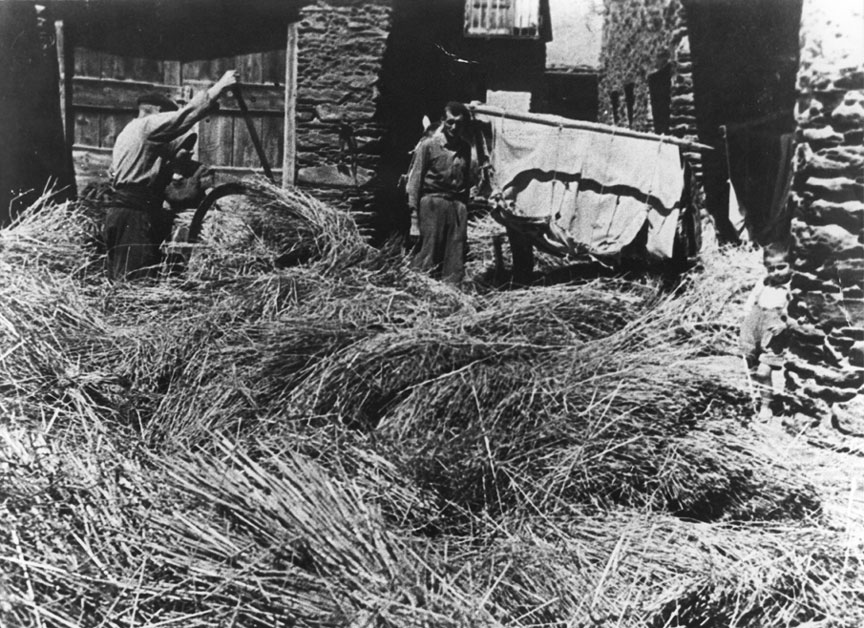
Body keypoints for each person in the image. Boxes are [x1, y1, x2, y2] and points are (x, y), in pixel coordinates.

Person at [103, 70, 238, 280]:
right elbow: (182, 117)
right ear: (157, 112)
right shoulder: (147, 127)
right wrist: (219, 87)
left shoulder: (127, 134)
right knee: (137, 284)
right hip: (134, 215)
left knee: (122, 279)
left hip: (120, 213)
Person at [406, 101, 473, 285]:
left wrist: (464, 211)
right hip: (432, 204)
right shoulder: (429, 146)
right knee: (428, 253)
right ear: (443, 121)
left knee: (455, 257)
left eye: (459, 123)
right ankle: (419, 291)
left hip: (457, 207)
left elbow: (467, 182)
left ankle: (450, 297)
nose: (454, 127)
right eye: (450, 122)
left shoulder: (466, 148)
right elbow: (415, 182)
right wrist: (414, 221)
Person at [740, 243, 791, 420]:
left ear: (791, 265)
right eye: (771, 268)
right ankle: (761, 396)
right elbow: (752, 299)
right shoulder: (764, 282)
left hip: (773, 333)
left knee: (764, 370)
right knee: (751, 365)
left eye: (781, 267)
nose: (776, 272)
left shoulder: (791, 288)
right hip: (754, 325)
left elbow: (795, 313)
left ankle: (766, 406)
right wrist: (746, 315)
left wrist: (785, 325)